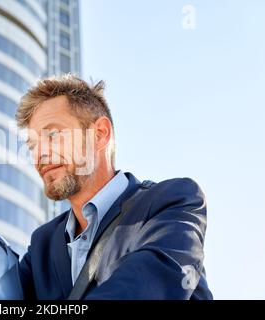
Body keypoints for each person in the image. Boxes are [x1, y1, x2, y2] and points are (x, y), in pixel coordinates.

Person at [16, 74, 212, 300]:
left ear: (99, 135)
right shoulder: (43, 244)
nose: (39, 154)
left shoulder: (173, 201)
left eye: (53, 135)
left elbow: (147, 285)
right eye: (32, 145)